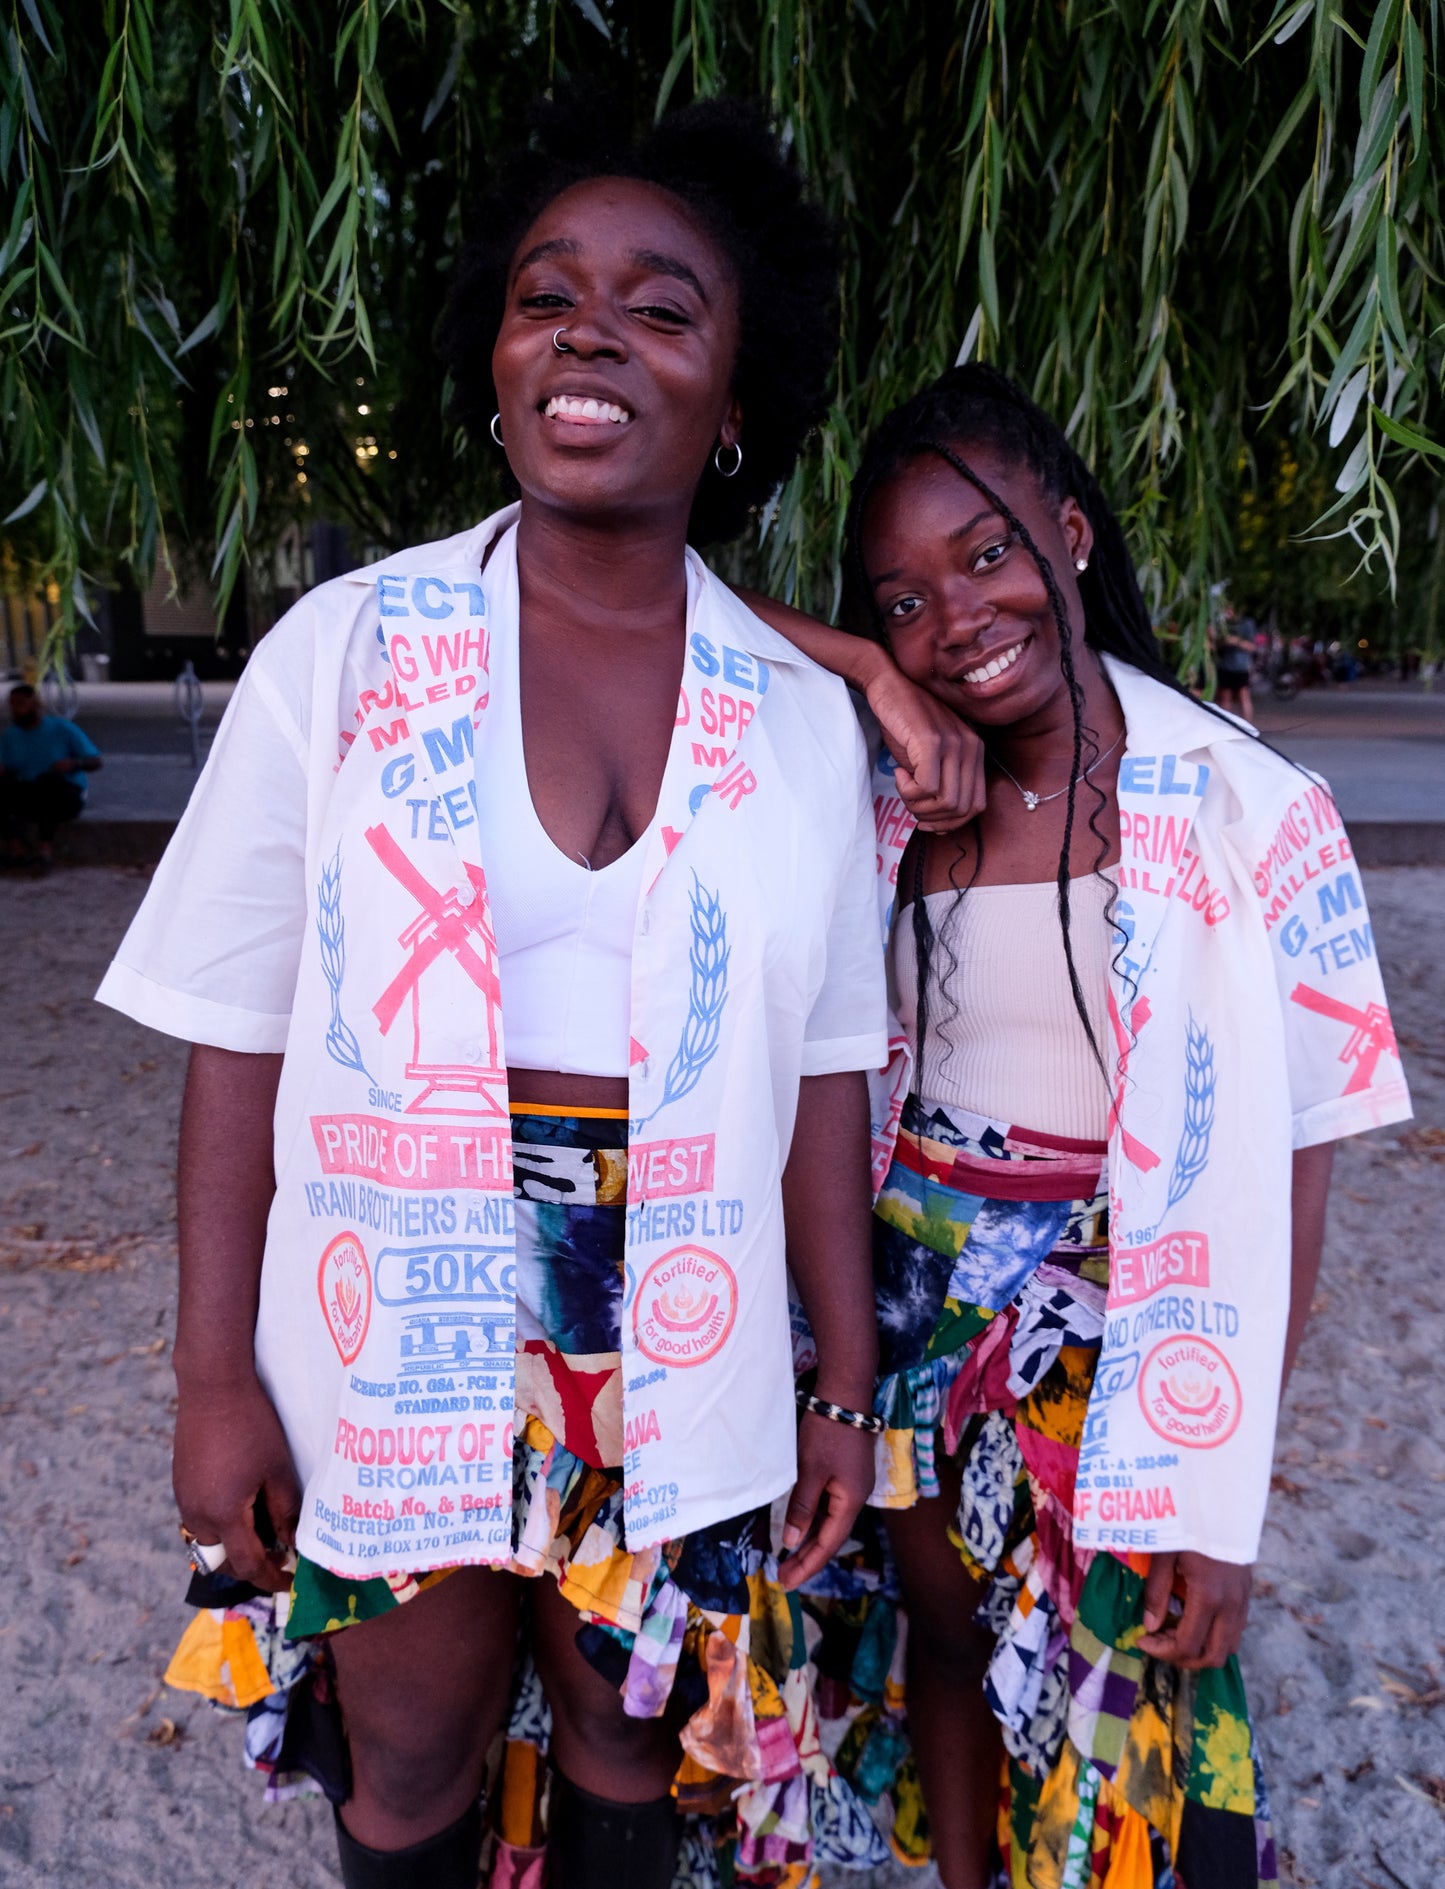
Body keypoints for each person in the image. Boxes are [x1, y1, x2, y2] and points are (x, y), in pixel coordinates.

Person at [96, 97, 971, 1889]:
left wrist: (840, 1388)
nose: (589, 331)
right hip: (386, 1299)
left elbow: (821, 1078)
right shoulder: (343, 651)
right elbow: (235, 1032)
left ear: (736, 405)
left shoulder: (800, 723)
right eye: (545, 295)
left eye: (662, 309)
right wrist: (210, 1382)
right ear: (494, 362)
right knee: (407, 1752)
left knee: (623, 1732)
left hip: (687, 1310)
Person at [746, 365, 1411, 1888]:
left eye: (985, 556)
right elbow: (669, 611)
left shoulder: (1251, 810)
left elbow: (1284, 1187)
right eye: (902, 598)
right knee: (947, 1632)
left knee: (1136, 1674)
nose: (957, 616)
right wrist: (864, 670)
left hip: (1133, 1322)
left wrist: (1220, 1482)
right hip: (911, 1291)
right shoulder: (891, 799)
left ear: (1073, 531)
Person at [0, 682, 102, 868]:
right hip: (29, 791)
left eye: (21, 703)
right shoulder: (10, 736)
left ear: (35, 704)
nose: (16, 709)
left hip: (64, 793)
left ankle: (44, 851)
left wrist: (74, 764)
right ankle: (16, 850)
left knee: (48, 786)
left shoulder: (62, 728)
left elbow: (95, 761)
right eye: (13, 704)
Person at [1215, 614, 1255, 720]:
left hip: (1240, 667)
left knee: (1243, 696)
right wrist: (1224, 642)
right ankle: (1225, 726)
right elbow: (1215, 644)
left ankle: (1247, 728)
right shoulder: (1221, 623)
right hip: (1224, 665)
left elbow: (1252, 647)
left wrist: (1236, 641)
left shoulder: (1246, 623)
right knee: (1225, 697)